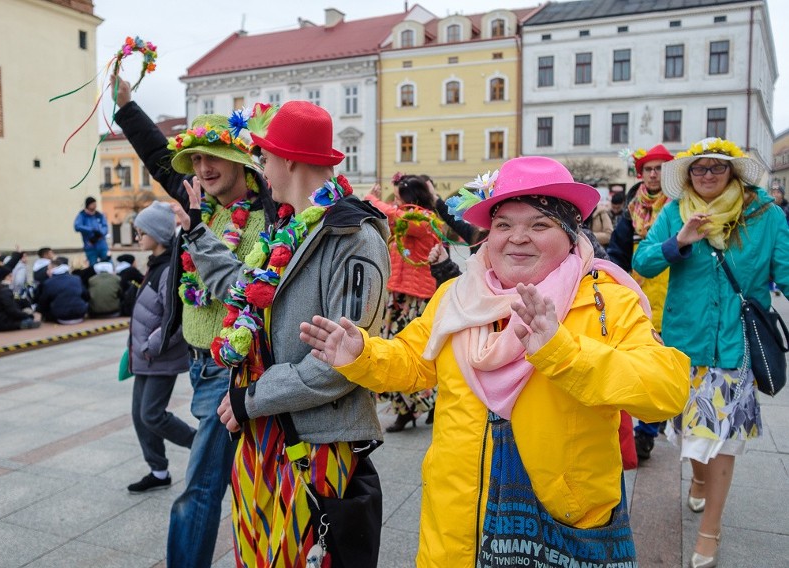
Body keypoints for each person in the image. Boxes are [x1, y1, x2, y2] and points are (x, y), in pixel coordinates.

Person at [300, 155, 689, 568]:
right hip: (456, 525)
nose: (516, 238)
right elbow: (415, 360)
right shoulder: (460, 296)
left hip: (562, 526)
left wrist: (562, 351)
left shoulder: (606, 300)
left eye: (539, 225)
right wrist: (361, 353)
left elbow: (666, 390)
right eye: (503, 225)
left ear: (571, 235)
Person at [181, 100, 390, 568]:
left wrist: (250, 398)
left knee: (301, 557)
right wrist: (197, 233)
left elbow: (341, 364)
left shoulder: (353, 237)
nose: (262, 171)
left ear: (290, 159)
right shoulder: (290, 227)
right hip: (263, 435)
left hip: (312, 443)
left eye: (265, 158)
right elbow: (243, 287)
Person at [111, 72, 277, 568]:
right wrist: (127, 107)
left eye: (212, 157)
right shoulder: (198, 203)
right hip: (199, 363)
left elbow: (247, 292)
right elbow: (161, 158)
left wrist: (201, 233)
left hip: (234, 371)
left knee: (200, 489)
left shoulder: (267, 216)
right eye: (196, 159)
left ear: (238, 161)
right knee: (229, 481)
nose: (201, 168)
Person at [632, 137, 785, 568]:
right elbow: (643, 264)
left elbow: (786, 273)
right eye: (700, 169)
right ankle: (697, 481)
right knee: (687, 430)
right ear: (689, 176)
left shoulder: (765, 216)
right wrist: (679, 241)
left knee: (722, 440)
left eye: (717, 167)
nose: (708, 175)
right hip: (685, 343)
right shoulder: (673, 213)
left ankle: (709, 532)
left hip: (736, 347)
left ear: (732, 172)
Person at [607, 143, 675, 461]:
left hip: (674, 300)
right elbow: (618, 254)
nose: (652, 174)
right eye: (648, 169)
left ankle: (647, 432)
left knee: (663, 368)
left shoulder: (678, 209)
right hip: (639, 298)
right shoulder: (633, 210)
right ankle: (647, 428)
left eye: (659, 168)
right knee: (643, 367)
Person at [127, 201, 196, 494]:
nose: (138, 236)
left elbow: (177, 318)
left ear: (157, 233)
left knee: (152, 415)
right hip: (144, 356)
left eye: (142, 231)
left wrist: (151, 346)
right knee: (139, 416)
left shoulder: (169, 269)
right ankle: (158, 471)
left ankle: (201, 443)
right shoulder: (154, 266)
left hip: (158, 356)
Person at [365, 175, 442, 431]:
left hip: (414, 296)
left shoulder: (422, 219)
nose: (395, 202)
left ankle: (422, 402)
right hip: (398, 293)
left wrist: (371, 198)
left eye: (398, 197)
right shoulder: (409, 216)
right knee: (396, 349)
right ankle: (409, 408)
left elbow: (393, 216)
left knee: (412, 350)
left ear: (411, 198)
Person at [0, 262, 40, 331]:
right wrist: (28, 316)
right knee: (29, 320)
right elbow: (12, 311)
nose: (12, 278)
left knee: (20, 304)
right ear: (4, 277)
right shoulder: (4, 290)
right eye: (10, 276)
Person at [36, 257, 88, 324]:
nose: (46, 272)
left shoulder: (48, 283)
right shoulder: (76, 278)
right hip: (81, 313)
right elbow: (86, 295)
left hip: (61, 316)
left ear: (53, 269)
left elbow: (43, 302)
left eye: (48, 269)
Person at [74, 196, 109, 265]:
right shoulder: (82, 215)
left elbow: (105, 226)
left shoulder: (99, 215)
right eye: (93, 204)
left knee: (107, 264)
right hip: (90, 246)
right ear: (88, 205)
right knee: (93, 266)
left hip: (102, 245)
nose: (95, 206)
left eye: (95, 204)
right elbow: (77, 226)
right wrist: (91, 230)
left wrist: (100, 233)